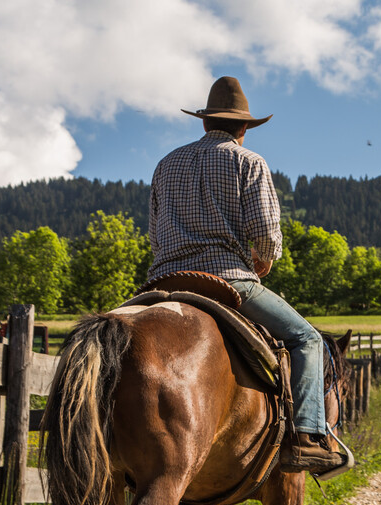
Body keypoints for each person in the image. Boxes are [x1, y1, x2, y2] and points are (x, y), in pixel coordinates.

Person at [146, 75, 343, 474]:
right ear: (243, 128)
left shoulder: (166, 164)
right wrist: (265, 260)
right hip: (228, 279)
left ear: (204, 122)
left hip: (164, 281)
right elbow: (267, 234)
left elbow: (154, 234)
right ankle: (307, 437)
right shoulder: (249, 162)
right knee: (307, 339)